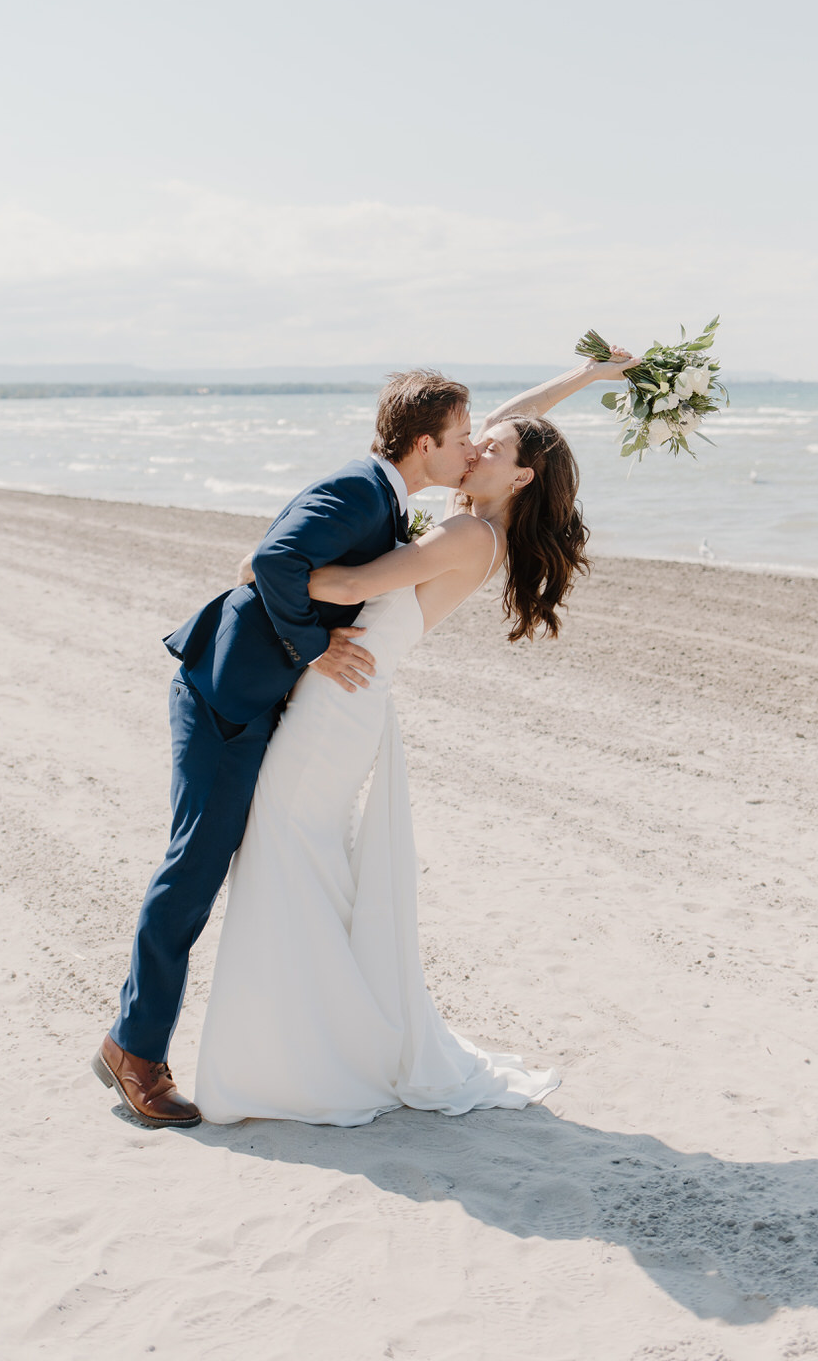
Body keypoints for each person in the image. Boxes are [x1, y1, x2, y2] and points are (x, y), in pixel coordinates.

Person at [193, 348, 637, 1126]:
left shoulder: (469, 539)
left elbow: (359, 586)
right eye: (471, 439)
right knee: (301, 860)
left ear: (519, 478)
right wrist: (584, 377)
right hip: (341, 698)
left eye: (488, 449)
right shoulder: (473, 511)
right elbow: (515, 419)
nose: (474, 447)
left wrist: (270, 572)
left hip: (341, 707)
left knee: (287, 852)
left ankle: (313, 1048)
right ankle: (313, 1028)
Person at [93, 370, 479, 1126]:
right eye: (461, 440)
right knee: (195, 865)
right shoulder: (359, 490)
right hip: (223, 698)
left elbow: (506, 433)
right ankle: (132, 1051)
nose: (470, 451)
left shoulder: (388, 493)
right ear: (424, 442)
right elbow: (271, 561)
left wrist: (591, 375)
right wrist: (315, 646)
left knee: (226, 862)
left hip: (256, 701)